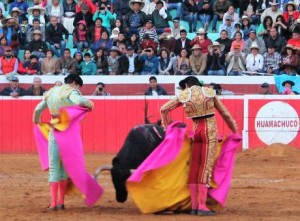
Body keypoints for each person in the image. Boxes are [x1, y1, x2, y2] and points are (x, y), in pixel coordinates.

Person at [160, 76, 237, 216]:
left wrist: (167, 129)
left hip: (196, 132)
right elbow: (225, 114)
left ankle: (195, 206)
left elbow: (163, 109)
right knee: (205, 169)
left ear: (188, 85)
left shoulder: (184, 95)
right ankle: (202, 206)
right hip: (209, 131)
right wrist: (235, 130)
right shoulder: (209, 92)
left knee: (194, 169)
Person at [32, 73, 94, 211]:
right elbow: (79, 101)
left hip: (55, 130)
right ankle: (61, 202)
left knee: (54, 167)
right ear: (75, 83)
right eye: (78, 86)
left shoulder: (51, 92)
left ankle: (53, 204)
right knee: (65, 167)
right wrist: (90, 103)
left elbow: (37, 110)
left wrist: (37, 123)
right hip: (69, 133)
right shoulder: (71, 91)